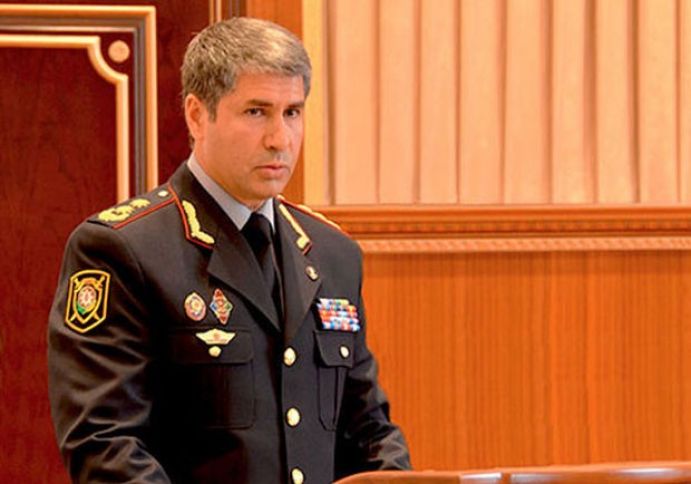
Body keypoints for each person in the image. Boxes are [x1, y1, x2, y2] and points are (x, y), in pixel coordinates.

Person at [47, 16, 411, 484]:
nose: (280, 139)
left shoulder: (332, 254)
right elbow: (104, 443)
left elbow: (369, 431)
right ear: (197, 115)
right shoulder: (123, 249)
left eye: (292, 112)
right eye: (256, 112)